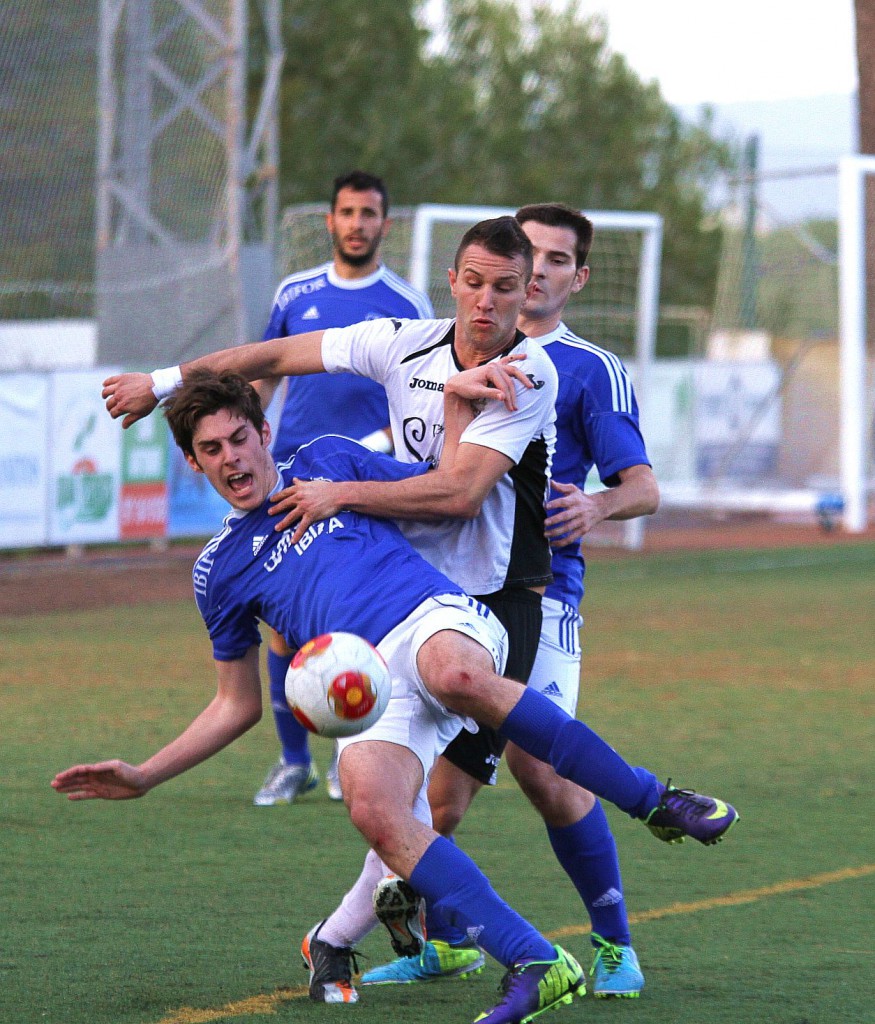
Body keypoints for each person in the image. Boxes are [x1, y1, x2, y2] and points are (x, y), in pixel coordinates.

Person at [102, 216, 739, 1008]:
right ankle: (452, 950)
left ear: (537, 287)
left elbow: (456, 492)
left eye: (510, 284)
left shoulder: (530, 373)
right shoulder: (391, 347)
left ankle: (642, 836)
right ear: (450, 280)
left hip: (502, 594)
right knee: (399, 805)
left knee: (534, 767)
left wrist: (389, 462)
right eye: (475, 281)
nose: (490, 299)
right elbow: (267, 356)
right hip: (410, 596)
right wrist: (162, 381)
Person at [361, 204, 658, 997]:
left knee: (542, 769)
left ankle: (612, 944)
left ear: (572, 277)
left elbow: (643, 485)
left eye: (556, 260)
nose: (539, 271)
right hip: (439, 596)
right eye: (530, 255)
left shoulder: (588, 369)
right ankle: (447, 939)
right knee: (436, 794)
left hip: (540, 595)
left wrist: (596, 506)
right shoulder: (451, 344)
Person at [253, 170, 433, 808]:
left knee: (359, 617)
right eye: (347, 212)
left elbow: (421, 397)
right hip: (291, 477)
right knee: (281, 621)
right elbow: (267, 371)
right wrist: (248, 424)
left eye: (369, 213)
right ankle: (292, 761)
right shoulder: (293, 293)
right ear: (329, 221)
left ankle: (348, 755)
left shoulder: (407, 304)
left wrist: (374, 450)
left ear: (386, 224)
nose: (357, 223)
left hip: (363, 483)